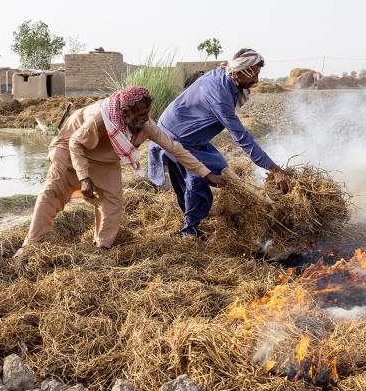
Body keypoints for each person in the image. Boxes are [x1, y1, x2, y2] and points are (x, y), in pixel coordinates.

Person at [23, 86, 225, 249]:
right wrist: (84, 178)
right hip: (70, 147)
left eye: (147, 113)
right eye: (140, 114)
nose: (145, 118)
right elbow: (75, 143)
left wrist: (206, 174)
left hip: (104, 157)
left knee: (111, 201)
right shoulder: (99, 120)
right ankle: (32, 246)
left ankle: (101, 248)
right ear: (124, 112)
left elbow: (175, 149)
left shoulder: (146, 126)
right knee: (54, 192)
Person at [148, 48, 290, 239]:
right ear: (238, 72)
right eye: (253, 74)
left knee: (222, 171)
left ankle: (193, 219)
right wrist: (274, 169)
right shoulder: (220, 95)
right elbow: (242, 138)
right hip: (176, 137)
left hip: (194, 137)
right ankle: (189, 232)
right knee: (198, 181)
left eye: (258, 73)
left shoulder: (225, 75)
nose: (256, 81)